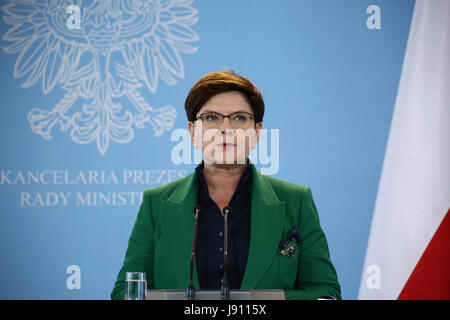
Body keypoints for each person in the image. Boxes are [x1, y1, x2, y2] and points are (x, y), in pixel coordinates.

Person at [111, 70, 341, 300]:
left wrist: (255, 303)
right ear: (192, 132)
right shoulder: (156, 203)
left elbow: (326, 293)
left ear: (257, 131)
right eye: (211, 117)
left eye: (239, 118)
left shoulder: (296, 200)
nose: (226, 128)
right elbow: (126, 293)